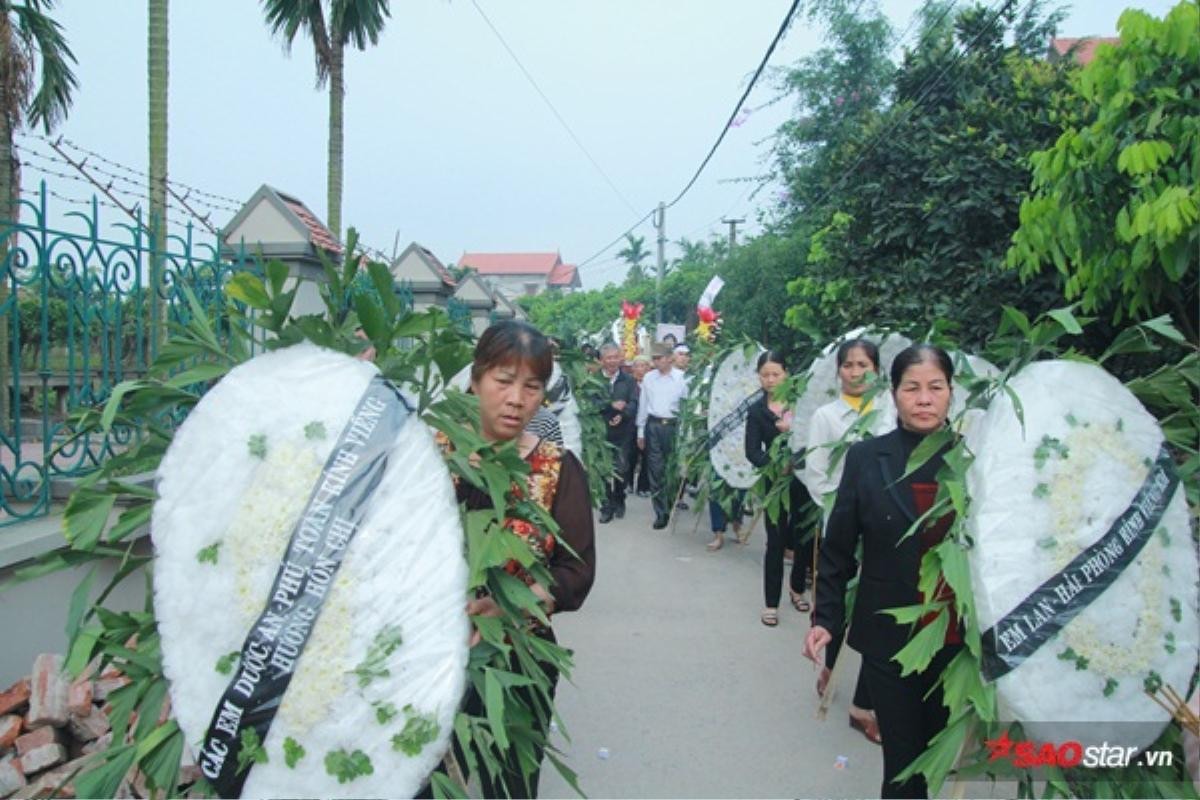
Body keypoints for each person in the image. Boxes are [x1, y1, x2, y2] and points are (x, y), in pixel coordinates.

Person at [434, 320, 596, 798]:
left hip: (517, 662)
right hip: (429, 656)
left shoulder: (557, 469)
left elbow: (576, 571)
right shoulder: (429, 456)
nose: (517, 399)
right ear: (476, 380)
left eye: (532, 387)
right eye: (503, 381)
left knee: (511, 784)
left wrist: (511, 605)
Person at [803, 344, 960, 799]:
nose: (925, 399)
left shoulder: (973, 460)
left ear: (951, 393)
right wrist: (825, 621)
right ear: (894, 394)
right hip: (889, 635)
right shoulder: (868, 458)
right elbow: (837, 551)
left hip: (954, 640)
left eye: (936, 387)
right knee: (903, 767)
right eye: (912, 388)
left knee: (936, 759)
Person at [802, 338, 893, 745]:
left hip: (887, 530)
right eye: (849, 365)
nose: (857, 373)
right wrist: (843, 514)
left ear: (877, 369)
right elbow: (816, 471)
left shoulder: (891, 410)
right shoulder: (826, 415)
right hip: (843, 524)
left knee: (877, 613)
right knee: (838, 601)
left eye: (864, 365)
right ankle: (831, 665)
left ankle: (863, 702)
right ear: (838, 371)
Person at [744, 350, 814, 627]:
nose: (771, 380)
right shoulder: (757, 410)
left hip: (805, 480)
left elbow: (815, 438)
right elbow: (752, 451)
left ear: (786, 373)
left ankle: (797, 589)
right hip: (775, 484)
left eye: (776, 374)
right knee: (775, 541)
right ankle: (770, 603)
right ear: (759, 378)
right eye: (765, 375)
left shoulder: (803, 404)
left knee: (803, 538)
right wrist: (774, 465)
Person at [636, 342, 688, 529]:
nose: (656, 362)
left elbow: (687, 408)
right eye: (654, 359)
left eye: (659, 358)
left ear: (669, 358)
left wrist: (684, 435)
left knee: (672, 469)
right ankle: (660, 512)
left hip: (673, 427)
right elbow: (643, 405)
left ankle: (672, 503)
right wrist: (640, 431)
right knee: (655, 470)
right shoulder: (649, 378)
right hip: (653, 425)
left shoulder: (682, 379)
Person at [597, 342, 638, 523]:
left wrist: (623, 413)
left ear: (620, 358)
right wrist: (610, 406)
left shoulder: (628, 380)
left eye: (616, 357)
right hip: (601, 432)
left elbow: (635, 403)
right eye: (609, 358)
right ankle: (606, 506)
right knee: (603, 470)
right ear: (602, 360)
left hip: (623, 433)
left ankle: (620, 499)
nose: (613, 361)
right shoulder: (594, 379)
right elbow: (590, 403)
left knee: (622, 469)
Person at [625, 355, 653, 497]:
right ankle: (628, 482)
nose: (641, 369)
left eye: (644, 366)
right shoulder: (629, 383)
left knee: (647, 455)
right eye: (638, 366)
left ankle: (643, 486)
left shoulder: (652, 382)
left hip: (647, 423)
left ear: (649, 368)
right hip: (630, 423)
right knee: (630, 454)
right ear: (633, 368)